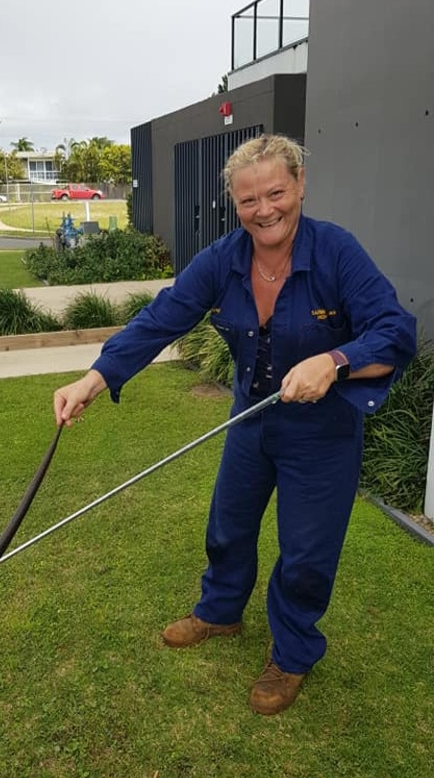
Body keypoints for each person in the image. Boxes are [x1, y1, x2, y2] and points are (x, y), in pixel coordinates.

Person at [53, 134, 417, 716]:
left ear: (299, 185)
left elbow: (396, 333)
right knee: (228, 525)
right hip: (251, 419)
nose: (265, 210)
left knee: (305, 553)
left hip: (322, 434)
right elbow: (159, 320)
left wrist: (334, 361)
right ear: (234, 203)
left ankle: (293, 654)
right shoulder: (222, 260)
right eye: (249, 200)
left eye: (276, 193)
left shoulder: (337, 253)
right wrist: (93, 379)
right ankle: (219, 612)